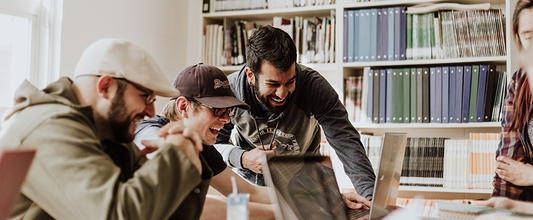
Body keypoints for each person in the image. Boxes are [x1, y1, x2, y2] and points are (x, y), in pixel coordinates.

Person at [0, 38, 211, 219]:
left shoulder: (111, 135)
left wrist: (190, 157)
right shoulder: (49, 127)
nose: (150, 111)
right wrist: (175, 156)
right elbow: (118, 215)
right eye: (145, 96)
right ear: (105, 87)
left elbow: (166, 214)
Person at [214, 25, 376, 205]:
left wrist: (371, 202)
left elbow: (347, 143)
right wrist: (242, 158)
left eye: (290, 82)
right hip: (250, 190)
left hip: (305, 187)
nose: (282, 93)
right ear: (251, 75)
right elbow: (214, 146)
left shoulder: (314, 87)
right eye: (273, 84)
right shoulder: (230, 91)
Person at [134, 63, 276, 220]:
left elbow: (249, 192)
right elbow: (187, 205)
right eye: (217, 110)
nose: (226, 119)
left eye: (228, 111)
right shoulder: (149, 132)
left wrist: (300, 197)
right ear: (183, 107)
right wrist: (277, 213)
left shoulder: (200, 145)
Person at [493, 0, 533, 202]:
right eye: (529, 36)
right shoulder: (519, 82)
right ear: (519, 39)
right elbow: (508, 162)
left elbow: (524, 174)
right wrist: (498, 205)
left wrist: (530, 175)